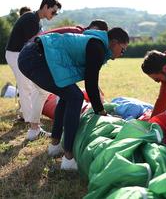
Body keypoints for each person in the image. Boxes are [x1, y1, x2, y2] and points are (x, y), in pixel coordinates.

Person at [18, 27, 129, 170]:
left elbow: (89, 80)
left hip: (33, 56)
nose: (122, 54)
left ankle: (55, 145)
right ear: (114, 43)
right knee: (75, 97)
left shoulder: (96, 44)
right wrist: (100, 111)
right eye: (123, 49)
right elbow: (91, 83)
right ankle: (69, 158)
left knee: (69, 95)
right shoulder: (97, 47)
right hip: (34, 58)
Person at [5, 0, 61, 140]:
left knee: (31, 87)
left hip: (19, 54)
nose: (54, 15)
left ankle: (31, 122)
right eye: (53, 12)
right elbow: (34, 45)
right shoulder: (31, 19)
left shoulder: (36, 20)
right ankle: (32, 125)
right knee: (27, 88)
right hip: (15, 54)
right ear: (46, 7)